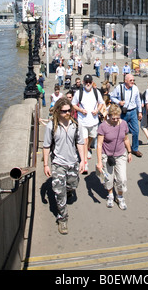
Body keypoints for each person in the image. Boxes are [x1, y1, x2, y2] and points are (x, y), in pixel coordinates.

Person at [43, 97, 85, 234]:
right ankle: (62, 219)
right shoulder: (51, 126)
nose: (68, 113)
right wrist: (45, 165)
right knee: (59, 193)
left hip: (72, 162)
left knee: (72, 185)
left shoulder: (75, 125)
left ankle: (69, 190)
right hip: (58, 164)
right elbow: (46, 146)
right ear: (57, 111)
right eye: (64, 111)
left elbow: (80, 143)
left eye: (69, 111)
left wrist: (83, 160)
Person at [96, 104, 132, 210]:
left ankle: (120, 196)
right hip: (107, 155)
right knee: (108, 178)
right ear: (109, 115)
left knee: (122, 179)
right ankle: (110, 195)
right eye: (113, 118)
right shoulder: (103, 126)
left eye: (117, 118)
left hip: (120, 154)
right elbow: (99, 144)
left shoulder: (124, 124)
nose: (116, 120)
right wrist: (99, 161)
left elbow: (126, 139)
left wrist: (129, 152)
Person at [72, 74, 104, 173]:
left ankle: (88, 148)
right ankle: (85, 162)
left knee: (92, 137)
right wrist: (81, 110)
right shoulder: (79, 93)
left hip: (94, 121)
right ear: (83, 83)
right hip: (83, 121)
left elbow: (101, 102)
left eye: (90, 82)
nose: (88, 84)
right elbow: (73, 104)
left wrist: (97, 110)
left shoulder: (96, 92)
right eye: (86, 82)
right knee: (84, 141)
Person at [110, 73, 143, 157]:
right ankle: (121, 148)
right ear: (125, 81)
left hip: (133, 112)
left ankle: (135, 149)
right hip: (123, 112)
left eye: (133, 80)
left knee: (136, 130)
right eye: (130, 80)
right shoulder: (119, 87)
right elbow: (112, 97)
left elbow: (138, 101)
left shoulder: (135, 88)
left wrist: (140, 112)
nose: (132, 82)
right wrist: (119, 102)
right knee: (121, 131)